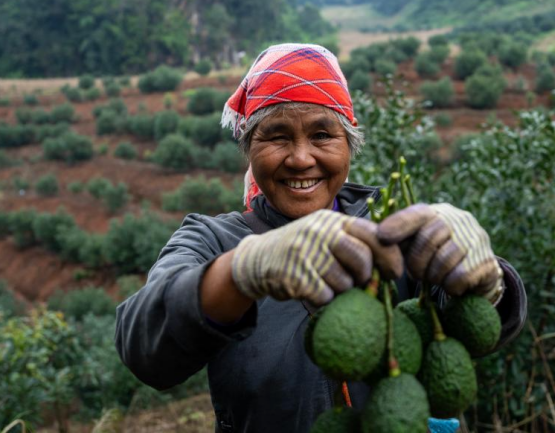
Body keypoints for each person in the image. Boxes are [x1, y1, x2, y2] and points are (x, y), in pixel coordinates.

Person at [115, 43, 527, 433]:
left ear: (349, 144)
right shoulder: (212, 241)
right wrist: (241, 272)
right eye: (276, 136)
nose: (300, 158)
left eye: (322, 135)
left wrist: (490, 282)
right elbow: (143, 348)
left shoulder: (392, 229)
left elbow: (483, 331)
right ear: (248, 149)